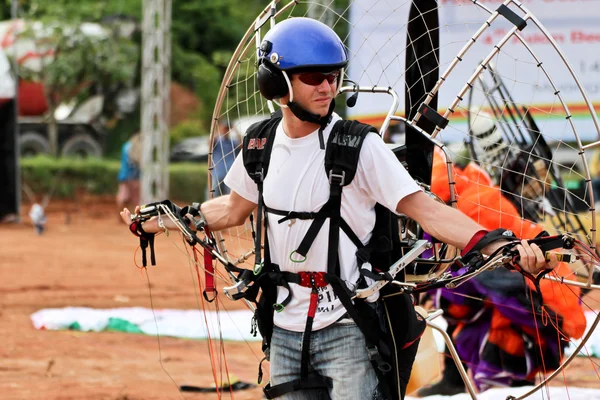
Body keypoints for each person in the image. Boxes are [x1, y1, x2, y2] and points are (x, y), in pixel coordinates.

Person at [120, 18, 556, 400]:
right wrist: (169, 219)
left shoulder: (358, 146)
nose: (327, 86)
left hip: (349, 327)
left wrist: (496, 242)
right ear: (277, 83)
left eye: (333, 75)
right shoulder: (260, 143)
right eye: (313, 76)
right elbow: (233, 209)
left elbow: (428, 211)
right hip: (284, 328)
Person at [417, 148, 586, 396]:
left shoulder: (467, 207)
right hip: (534, 296)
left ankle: (512, 383)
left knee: (453, 294)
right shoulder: (470, 192)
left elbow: (473, 284)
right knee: (453, 292)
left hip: (544, 307)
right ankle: (456, 379)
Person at [210, 120, 239, 196]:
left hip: (229, 172)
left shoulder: (233, 142)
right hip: (217, 172)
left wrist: (235, 129)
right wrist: (219, 131)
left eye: (227, 129)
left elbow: (241, 144)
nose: (226, 130)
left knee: (229, 195)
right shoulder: (217, 141)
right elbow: (210, 143)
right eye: (225, 128)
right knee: (213, 193)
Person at [116, 132, 141, 212]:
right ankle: (134, 218)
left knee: (123, 197)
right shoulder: (133, 146)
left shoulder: (126, 146)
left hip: (124, 175)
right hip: (133, 176)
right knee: (135, 199)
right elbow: (135, 160)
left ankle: (120, 217)